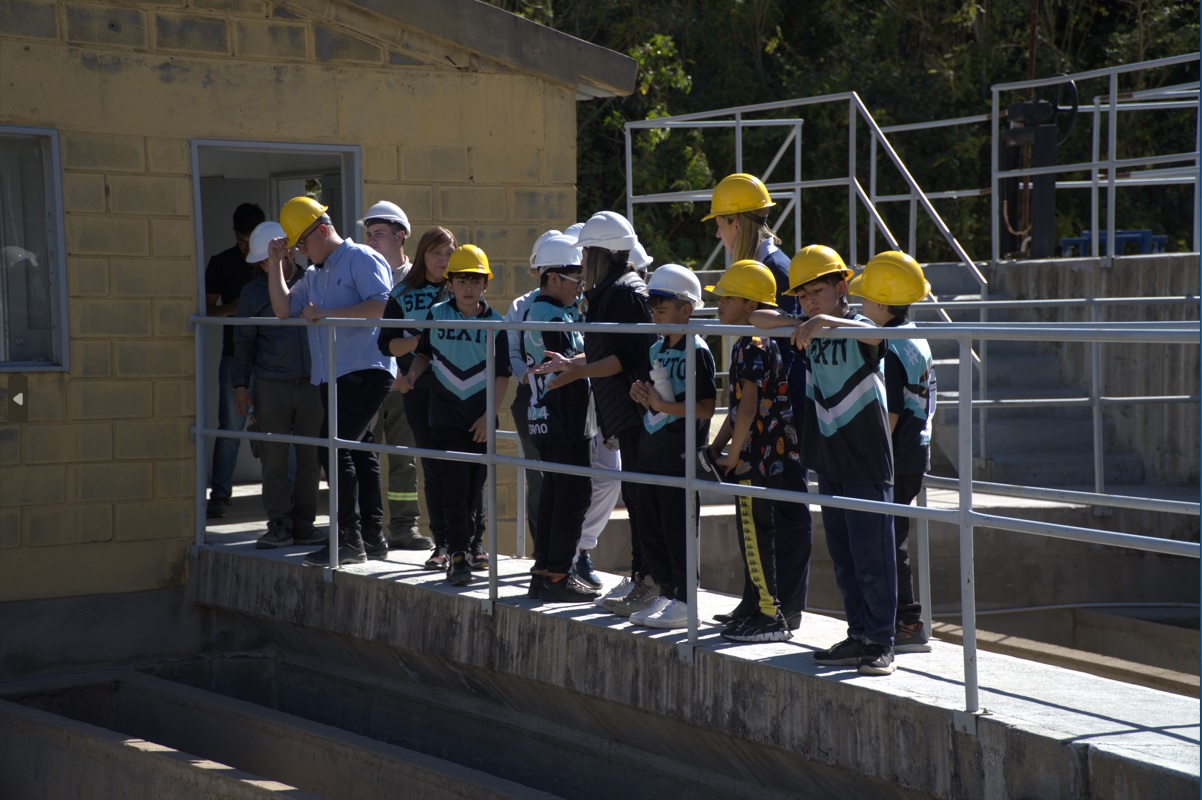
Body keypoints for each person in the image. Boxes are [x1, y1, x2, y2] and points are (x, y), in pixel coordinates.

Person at [531, 211, 657, 614]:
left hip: (635, 409)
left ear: (603, 253)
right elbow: (607, 352)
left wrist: (580, 368)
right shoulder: (611, 291)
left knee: (640, 498)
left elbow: (624, 357)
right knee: (629, 496)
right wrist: (576, 365)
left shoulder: (624, 293)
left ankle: (649, 580)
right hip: (622, 409)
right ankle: (640, 577)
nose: (581, 260)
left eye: (586, 251)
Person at [705, 173, 812, 631]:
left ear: (737, 221)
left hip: (784, 416)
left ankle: (784, 607)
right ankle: (756, 600)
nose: (716, 233)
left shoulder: (781, 271)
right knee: (753, 510)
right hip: (761, 417)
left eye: (720, 223)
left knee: (785, 507)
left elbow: (800, 346)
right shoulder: (749, 268)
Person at [266, 196, 396, 567]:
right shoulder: (313, 273)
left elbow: (383, 306)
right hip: (333, 373)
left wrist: (327, 313)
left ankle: (349, 539)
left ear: (323, 231)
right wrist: (276, 265)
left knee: (333, 447)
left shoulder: (362, 258)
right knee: (356, 448)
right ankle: (371, 536)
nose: (302, 251)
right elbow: (283, 309)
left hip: (365, 369)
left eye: (303, 242)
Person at [788, 244, 898, 676]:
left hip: (866, 458)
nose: (809, 301)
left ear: (842, 286)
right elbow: (756, 318)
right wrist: (805, 319)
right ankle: (858, 634)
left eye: (817, 291)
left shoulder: (856, 325)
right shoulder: (808, 325)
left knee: (875, 556)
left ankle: (882, 641)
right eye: (802, 295)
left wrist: (824, 321)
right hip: (830, 457)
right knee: (844, 555)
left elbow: (875, 335)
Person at [397, 245, 510, 587]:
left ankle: (472, 543)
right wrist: (413, 375)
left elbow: (503, 375)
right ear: (450, 283)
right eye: (461, 280)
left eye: (475, 280)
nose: (468, 287)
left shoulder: (496, 322)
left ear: (485, 284)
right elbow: (424, 354)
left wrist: (488, 417)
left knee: (474, 488)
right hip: (444, 415)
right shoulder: (435, 314)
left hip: (479, 418)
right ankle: (457, 554)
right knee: (454, 486)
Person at [847, 251, 936, 653]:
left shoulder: (893, 346)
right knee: (893, 535)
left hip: (897, 454)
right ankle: (906, 619)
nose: (861, 306)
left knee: (889, 538)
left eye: (865, 299)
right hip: (915, 450)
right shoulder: (913, 336)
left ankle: (908, 621)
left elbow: (893, 411)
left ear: (881, 304)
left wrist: (867, 452)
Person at [626, 264, 716, 629]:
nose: (656, 317)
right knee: (652, 525)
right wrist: (641, 396)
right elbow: (654, 400)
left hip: (678, 454)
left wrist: (663, 405)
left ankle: (685, 598)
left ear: (686, 310)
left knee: (678, 527)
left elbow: (707, 406)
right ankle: (666, 591)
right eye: (653, 311)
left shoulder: (698, 350)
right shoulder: (656, 349)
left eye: (662, 310)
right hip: (651, 452)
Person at [230, 221, 324, 549]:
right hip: (271, 385)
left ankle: (304, 524)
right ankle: (279, 524)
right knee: (273, 458)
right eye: (262, 259)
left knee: (310, 458)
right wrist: (240, 386)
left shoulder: (314, 281)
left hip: (314, 383)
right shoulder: (254, 293)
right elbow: (243, 343)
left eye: (270, 256)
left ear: (286, 252)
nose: (264, 264)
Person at [521, 233, 599, 602]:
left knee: (555, 494)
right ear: (553, 278)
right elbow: (569, 366)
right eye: (575, 279)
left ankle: (544, 572)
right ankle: (558, 576)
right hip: (562, 418)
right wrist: (604, 357)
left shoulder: (547, 309)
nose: (580, 286)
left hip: (549, 417)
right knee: (573, 495)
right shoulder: (549, 314)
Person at [378, 227, 456, 569]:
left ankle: (469, 543)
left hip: (460, 393)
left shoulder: (462, 287)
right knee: (435, 469)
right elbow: (387, 344)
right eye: (436, 253)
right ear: (422, 254)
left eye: (449, 253)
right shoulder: (403, 293)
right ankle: (442, 544)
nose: (443, 261)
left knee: (468, 469)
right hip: (419, 391)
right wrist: (419, 343)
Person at [360, 201, 429, 551]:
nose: (371, 241)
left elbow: (423, 333)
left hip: (405, 381)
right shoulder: (362, 272)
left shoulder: (416, 279)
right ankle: (364, 527)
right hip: (369, 378)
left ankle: (404, 526)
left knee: (404, 455)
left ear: (401, 235)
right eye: (368, 235)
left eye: (380, 234)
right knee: (364, 455)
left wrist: (407, 372)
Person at [205, 202, 266, 518]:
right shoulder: (221, 263)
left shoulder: (275, 263)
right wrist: (234, 307)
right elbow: (206, 311)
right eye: (241, 241)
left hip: (272, 360)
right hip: (235, 357)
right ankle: (219, 495)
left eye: (250, 241)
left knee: (278, 430)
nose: (245, 249)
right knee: (230, 428)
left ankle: (287, 499)